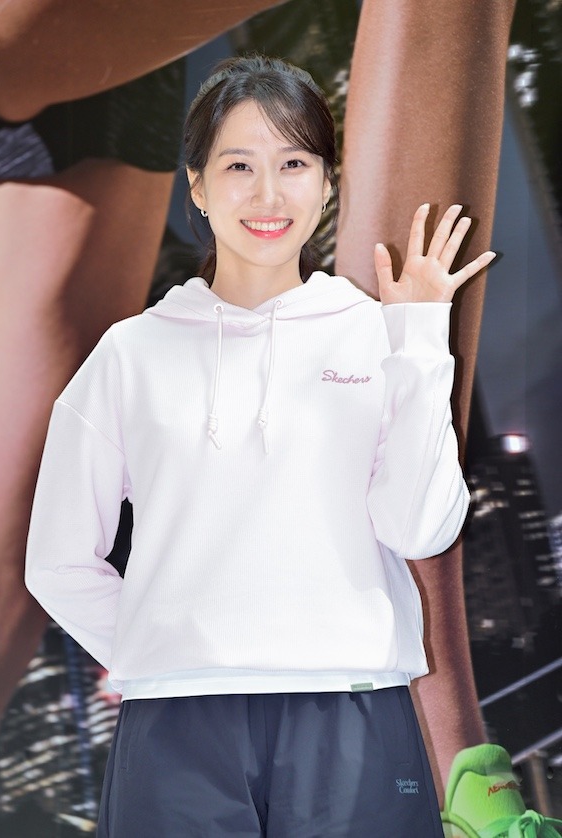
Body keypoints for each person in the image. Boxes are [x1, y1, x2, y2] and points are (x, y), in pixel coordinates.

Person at [25, 55, 495, 836]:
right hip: (176, 723)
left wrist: (418, 336)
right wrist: (170, 646)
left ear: (327, 184)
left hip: (354, 707)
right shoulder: (130, 354)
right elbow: (56, 560)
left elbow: (420, 529)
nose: (268, 194)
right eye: (239, 165)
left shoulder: (377, 336)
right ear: (197, 186)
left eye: (294, 164)